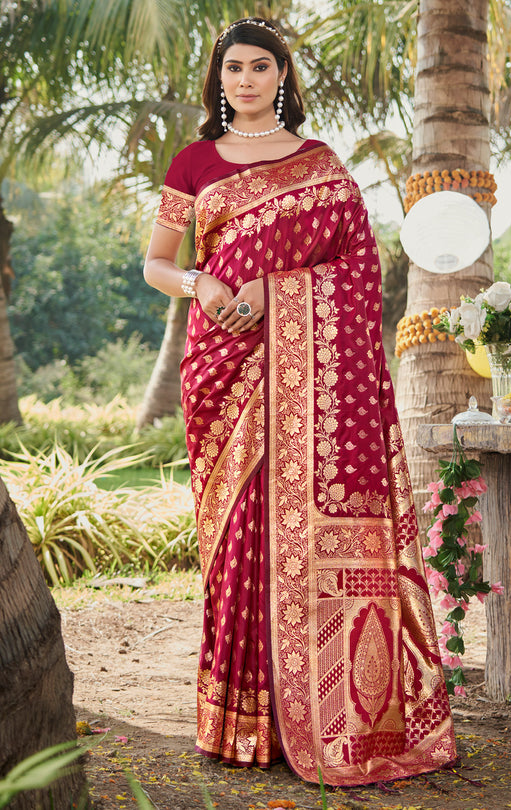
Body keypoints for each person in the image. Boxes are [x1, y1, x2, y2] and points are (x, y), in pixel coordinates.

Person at [143, 16, 457, 787]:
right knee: (238, 543)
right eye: (232, 69)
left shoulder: (320, 162)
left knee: (309, 540)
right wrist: (204, 282)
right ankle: (243, 725)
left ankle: (333, 722)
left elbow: (359, 264)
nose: (244, 81)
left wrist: (276, 290)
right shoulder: (193, 163)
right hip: (225, 371)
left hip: (313, 378)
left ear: (283, 77)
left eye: (259, 68)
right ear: (217, 79)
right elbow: (156, 263)